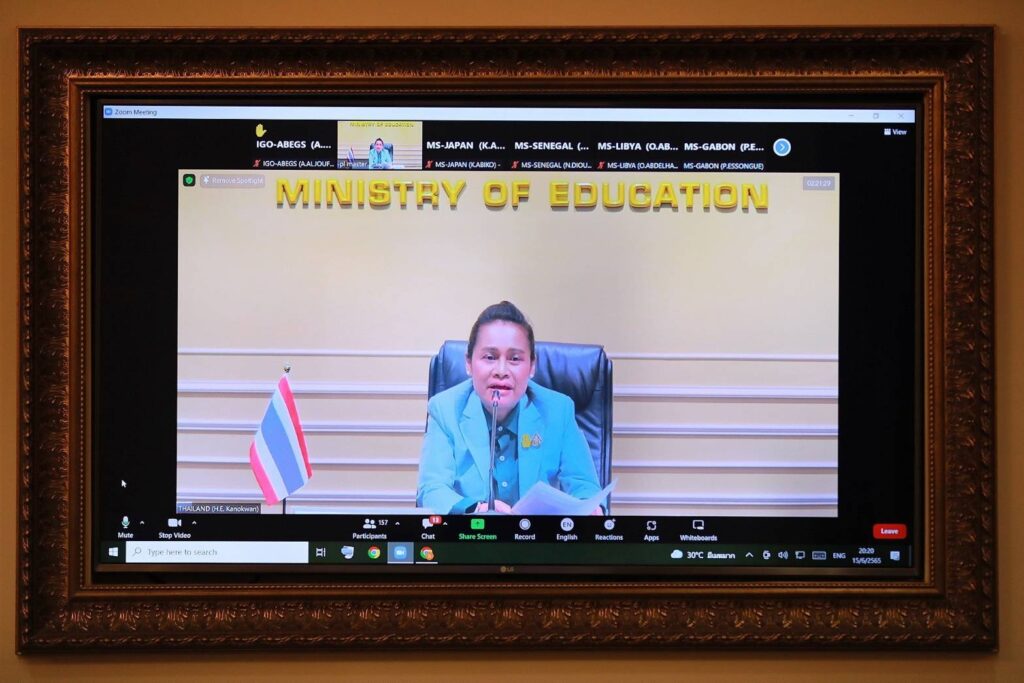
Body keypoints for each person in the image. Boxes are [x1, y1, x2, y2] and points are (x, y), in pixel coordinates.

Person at [417, 301, 602, 514]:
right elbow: (432, 490)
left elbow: (584, 486)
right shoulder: (445, 409)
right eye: (490, 357)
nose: (501, 371)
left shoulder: (558, 410)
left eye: (515, 359)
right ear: (468, 363)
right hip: (472, 531)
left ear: (532, 366)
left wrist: (590, 507)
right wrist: (476, 510)